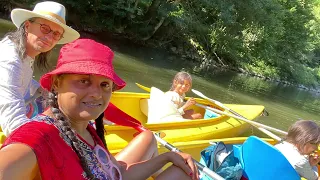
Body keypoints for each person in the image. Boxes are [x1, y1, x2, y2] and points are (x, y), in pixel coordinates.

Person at [0, 39, 199, 180]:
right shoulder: (37, 139)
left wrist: (167, 157)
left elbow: (117, 174)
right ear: (56, 84)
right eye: (84, 81)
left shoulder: (86, 130)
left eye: (105, 85)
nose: (96, 93)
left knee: (184, 171)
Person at [0, 1, 80, 136]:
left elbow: (19, 80)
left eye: (56, 34)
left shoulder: (21, 52)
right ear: (27, 25)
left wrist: (40, 89)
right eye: (44, 28)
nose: (49, 37)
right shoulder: (10, 60)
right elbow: (14, 124)